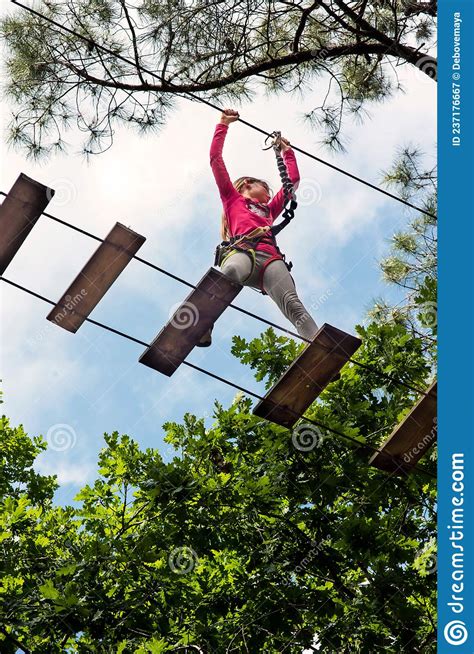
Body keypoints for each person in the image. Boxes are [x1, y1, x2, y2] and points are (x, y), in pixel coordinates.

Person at [198, 108, 319, 346]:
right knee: (230, 273)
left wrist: (287, 152)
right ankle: (203, 323)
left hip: (270, 260)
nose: (269, 192)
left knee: (293, 303)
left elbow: (292, 182)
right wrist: (223, 124)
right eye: (263, 186)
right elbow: (215, 159)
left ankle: (316, 343)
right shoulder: (232, 198)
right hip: (242, 251)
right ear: (247, 184)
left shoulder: (269, 211)